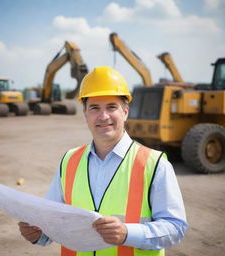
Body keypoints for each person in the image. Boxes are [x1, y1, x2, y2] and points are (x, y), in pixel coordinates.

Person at [18, 66, 188, 256]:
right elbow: (53, 221)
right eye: (94, 108)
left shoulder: (154, 164)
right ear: (85, 114)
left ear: (125, 112)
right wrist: (38, 234)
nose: (103, 116)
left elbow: (176, 227)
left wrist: (127, 233)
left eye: (111, 107)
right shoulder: (69, 161)